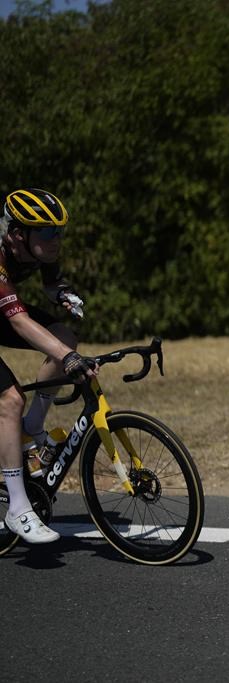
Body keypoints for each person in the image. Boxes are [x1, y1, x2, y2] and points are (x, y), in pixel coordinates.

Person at [1, 188, 97, 543]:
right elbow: (18, 322)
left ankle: (32, 428)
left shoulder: (35, 244)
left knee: (64, 337)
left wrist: (62, 293)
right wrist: (67, 358)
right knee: (9, 400)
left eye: (58, 231)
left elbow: (50, 280)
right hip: (7, 315)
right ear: (16, 235)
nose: (55, 239)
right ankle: (18, 508)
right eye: (47, 232)